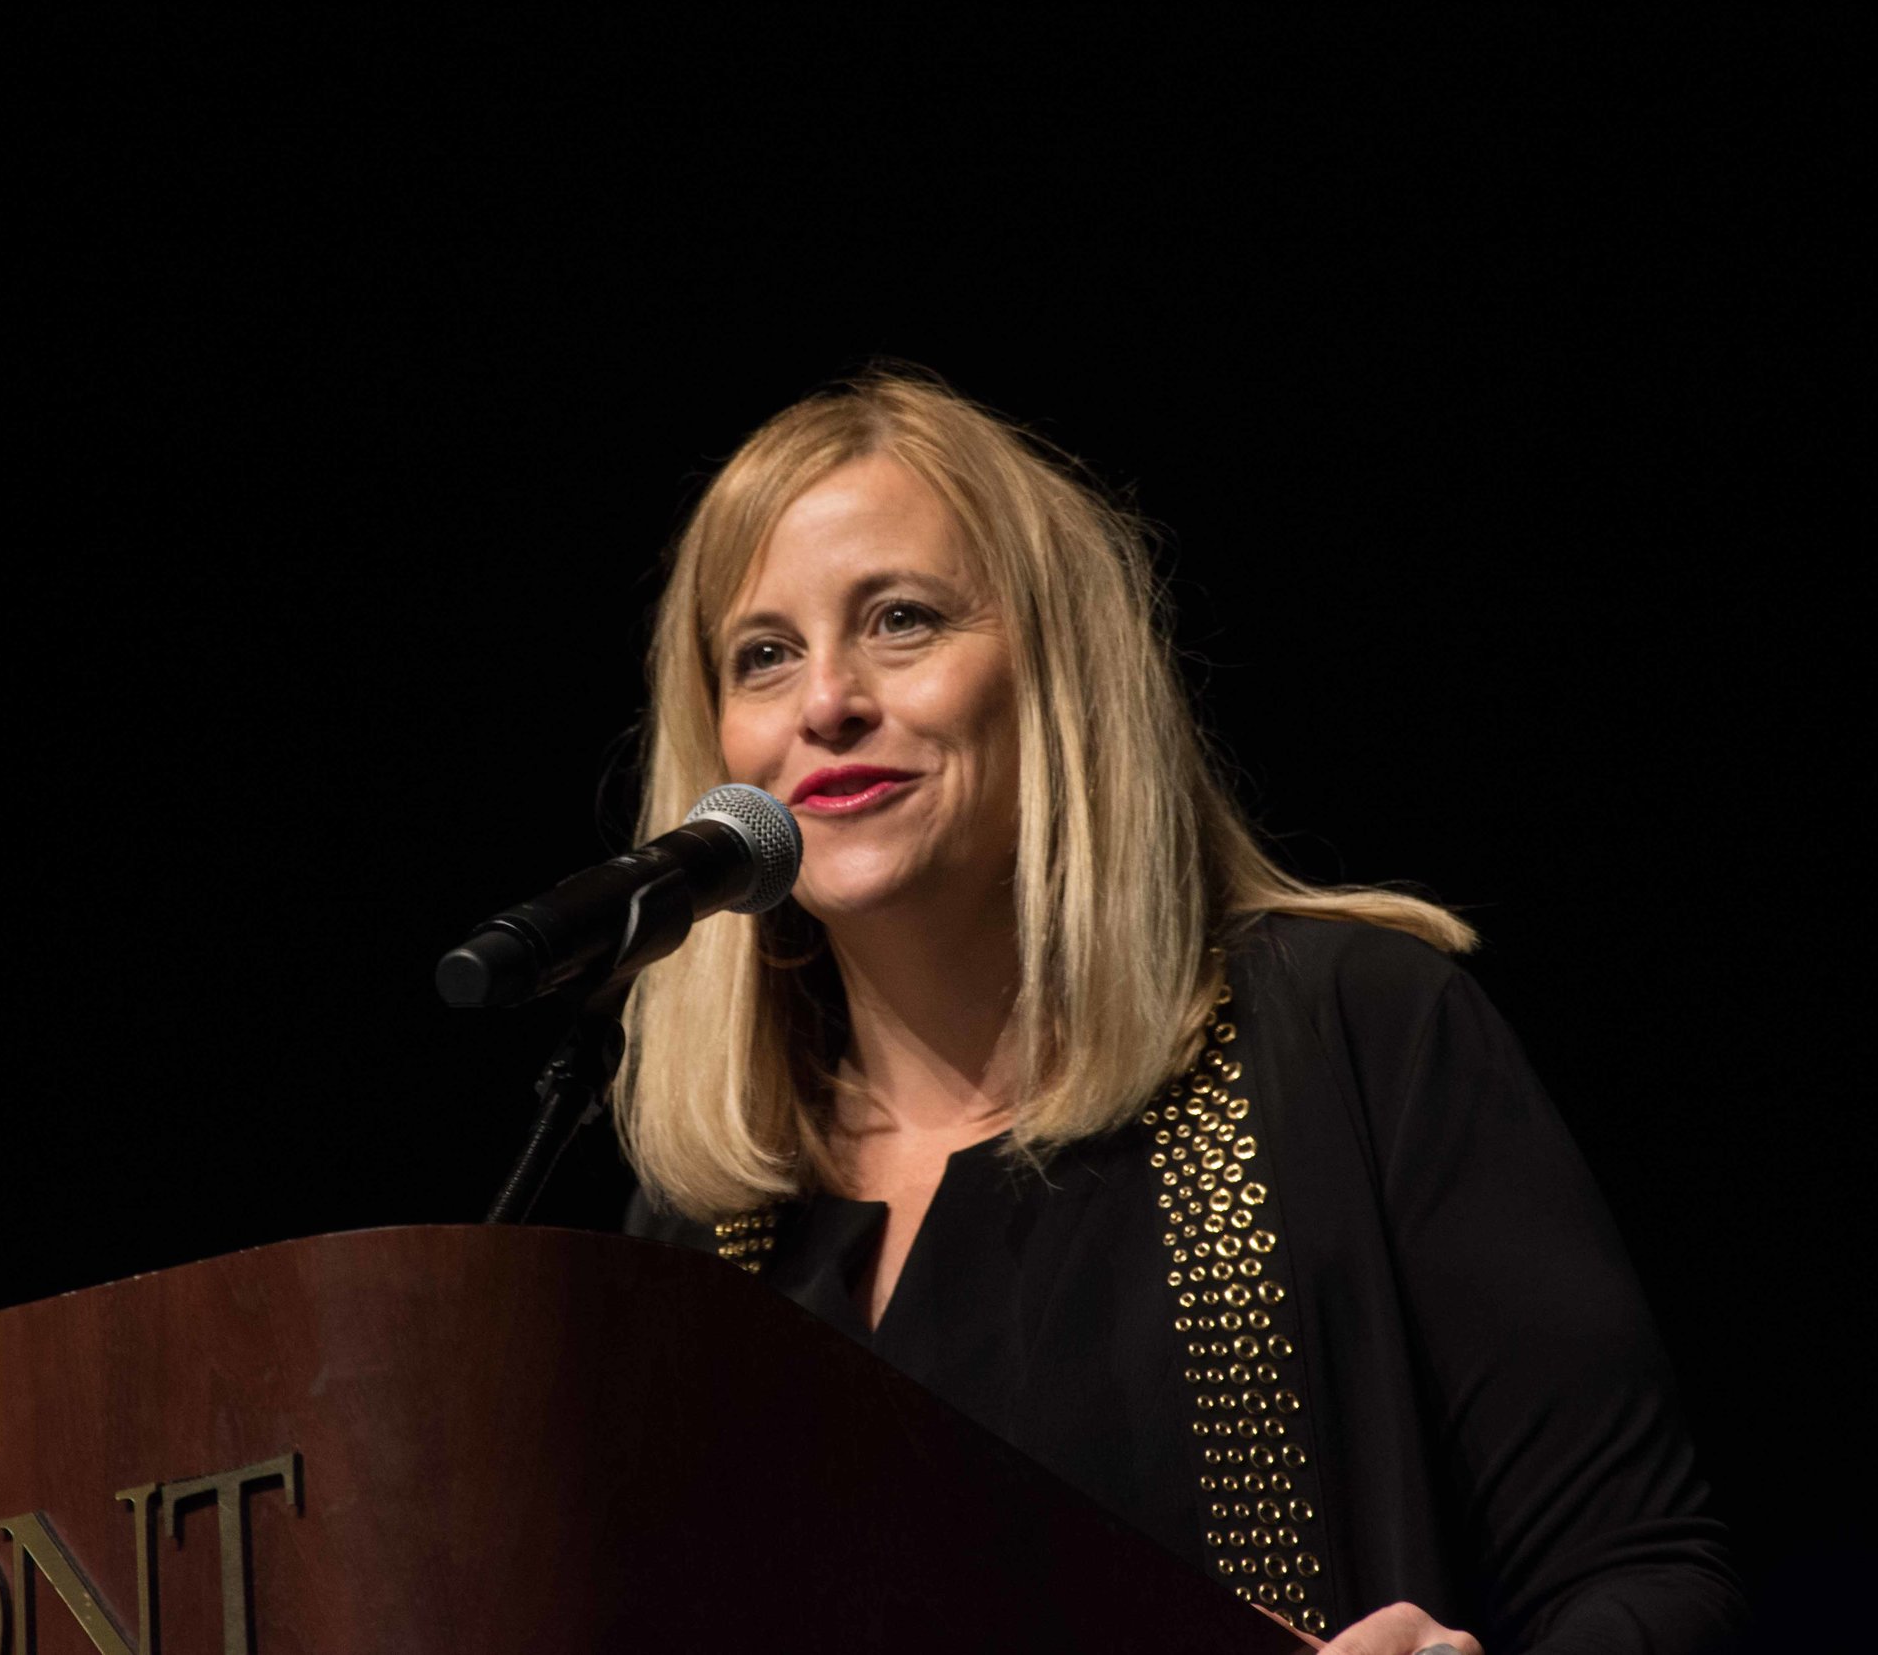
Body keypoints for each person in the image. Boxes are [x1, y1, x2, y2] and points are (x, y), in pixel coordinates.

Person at [613, 366, 1744, 1654]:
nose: (828, 702)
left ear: (1061, 670)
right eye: (764, 655)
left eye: (903, 620)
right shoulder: (705, 1223)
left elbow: (1649, 1575)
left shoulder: (1356, 1032)